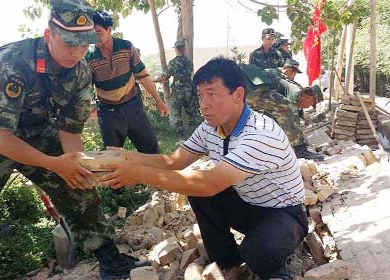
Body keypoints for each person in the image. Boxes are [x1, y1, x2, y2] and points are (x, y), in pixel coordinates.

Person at [0, 1, 146, 279]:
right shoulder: (15, 62)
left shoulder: (80, 72)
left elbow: (70, 131)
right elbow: (0, 138)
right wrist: (54, 163)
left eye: (83, 44)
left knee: (78, 186)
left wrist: (73, 165)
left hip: (37, 131)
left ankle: (109, 259)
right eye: (69, 43)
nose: (76, 52)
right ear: (48, 35)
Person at [97, 57, 308, 280]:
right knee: (197, 192)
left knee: (258, 253)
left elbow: (209, 183)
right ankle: (228, 263)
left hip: (284, 214)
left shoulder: (259, 133)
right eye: (201, 95)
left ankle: (276, 270)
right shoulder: (211, 127)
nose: (204, 103)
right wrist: (127, 156)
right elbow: (174, 162)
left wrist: (139, 174)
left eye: (212, 94)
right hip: (248, 206)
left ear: (238, 95)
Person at [85, 11, 169, 154]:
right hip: (108, 112)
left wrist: (158, 100)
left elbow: (143, 76)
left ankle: (153, 176)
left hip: (133, 106)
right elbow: (86, 87)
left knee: (151, 151)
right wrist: (89, 107)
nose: (94, 37)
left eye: (98, 32)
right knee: (111, 156)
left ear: (109, 30)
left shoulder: (126, 47)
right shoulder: (89, 57)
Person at [242, 62, 324, 161]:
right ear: (308, 98)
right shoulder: (296, 91)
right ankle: (300, 151)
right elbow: (291, 114)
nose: (307, 108)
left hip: (244, 86)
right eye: (310, 105)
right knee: (288, 109)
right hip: (254, 89)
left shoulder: (293, 89)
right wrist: (299, 141)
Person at [155, 40, 198, 135]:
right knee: (192, 113)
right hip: (188, 89)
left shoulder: (174, 62)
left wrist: (159, 78)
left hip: (178, 91)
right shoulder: (189, 61)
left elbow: (166, 75)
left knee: (176, 112)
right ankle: (195, 134)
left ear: (177, 49)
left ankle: (180, 135)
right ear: (184, 49)